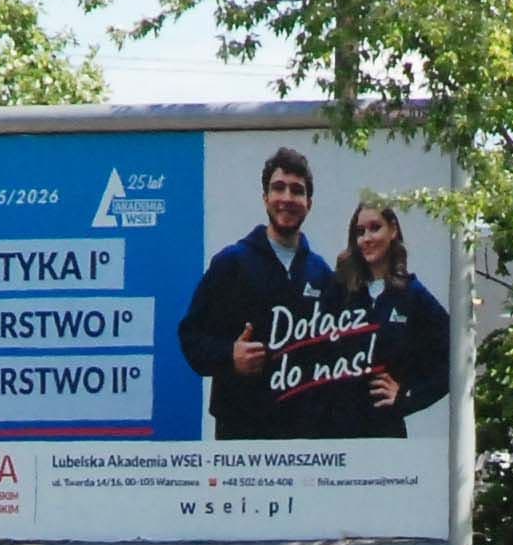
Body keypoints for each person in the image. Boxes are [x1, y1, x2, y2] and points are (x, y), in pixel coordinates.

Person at [176, 147, 339, 439]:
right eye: (278, 188)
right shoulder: (232, 263)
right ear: (265, 198)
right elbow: (191, 337)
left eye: (297, 191)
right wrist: (229, 356)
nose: (287, 198)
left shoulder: (321, 274)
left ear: (309, 203)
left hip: (306, 440)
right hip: (242, 435)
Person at [326, 199, 451, 438]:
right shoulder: (339, 290)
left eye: (375, 227)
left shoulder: (412, 295)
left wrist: (407, 395)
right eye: (360, 232)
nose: (367, 238)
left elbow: (454, 355)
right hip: (336, 435)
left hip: (383, 435)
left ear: (393, 230)